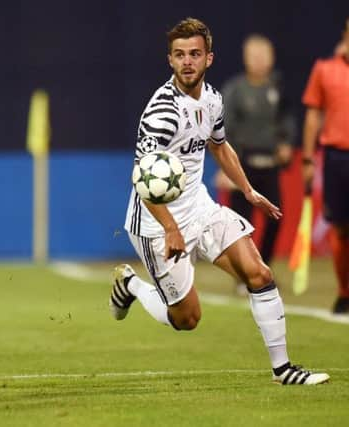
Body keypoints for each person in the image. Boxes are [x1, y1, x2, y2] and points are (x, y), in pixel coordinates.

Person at [110, 17, 328, 385]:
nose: (187, 61)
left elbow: (219, 144)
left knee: (259, 273)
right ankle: (131, 285)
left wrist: (247, 189)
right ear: (170, 60)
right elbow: (143, 179)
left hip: (199, 207)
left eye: (195, 54)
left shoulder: (212, 99)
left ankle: (283, 369)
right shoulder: (161, 114)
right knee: (187, 319)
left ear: (209, 58)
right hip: (156, 226)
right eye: (179, 55)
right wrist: (171, 228)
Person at [218, 34, 296, 295]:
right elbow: (224, 129)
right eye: (255, 55)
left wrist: (286, 143)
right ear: (246, 58)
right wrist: (227, 166)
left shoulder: (278, 87)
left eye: (265, 55)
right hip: (243, 165)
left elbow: (287, 119)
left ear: (272, 58)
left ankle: (262, 270)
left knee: (276, 217)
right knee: (242, 224)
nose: (260, 61)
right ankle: (243, 277)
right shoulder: (235, 90)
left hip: (270, 163)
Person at [301, 17, 349, 314]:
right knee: (342, 229)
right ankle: (345, 292)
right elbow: (312, 117)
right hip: (336, 158)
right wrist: (307, 159)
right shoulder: (324, 69)